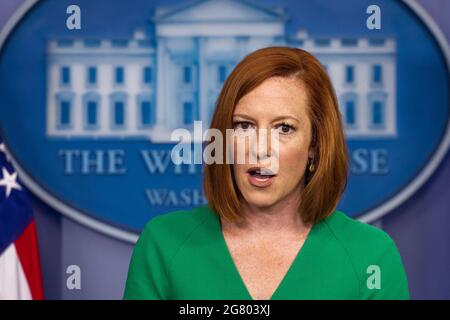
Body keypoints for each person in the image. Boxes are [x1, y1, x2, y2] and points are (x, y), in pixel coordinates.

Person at [123, 46, 409, 300]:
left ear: (314, 145)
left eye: (284, 128)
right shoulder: (163, 243)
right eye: (244, 126)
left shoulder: (371, 256)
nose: (260, 150)